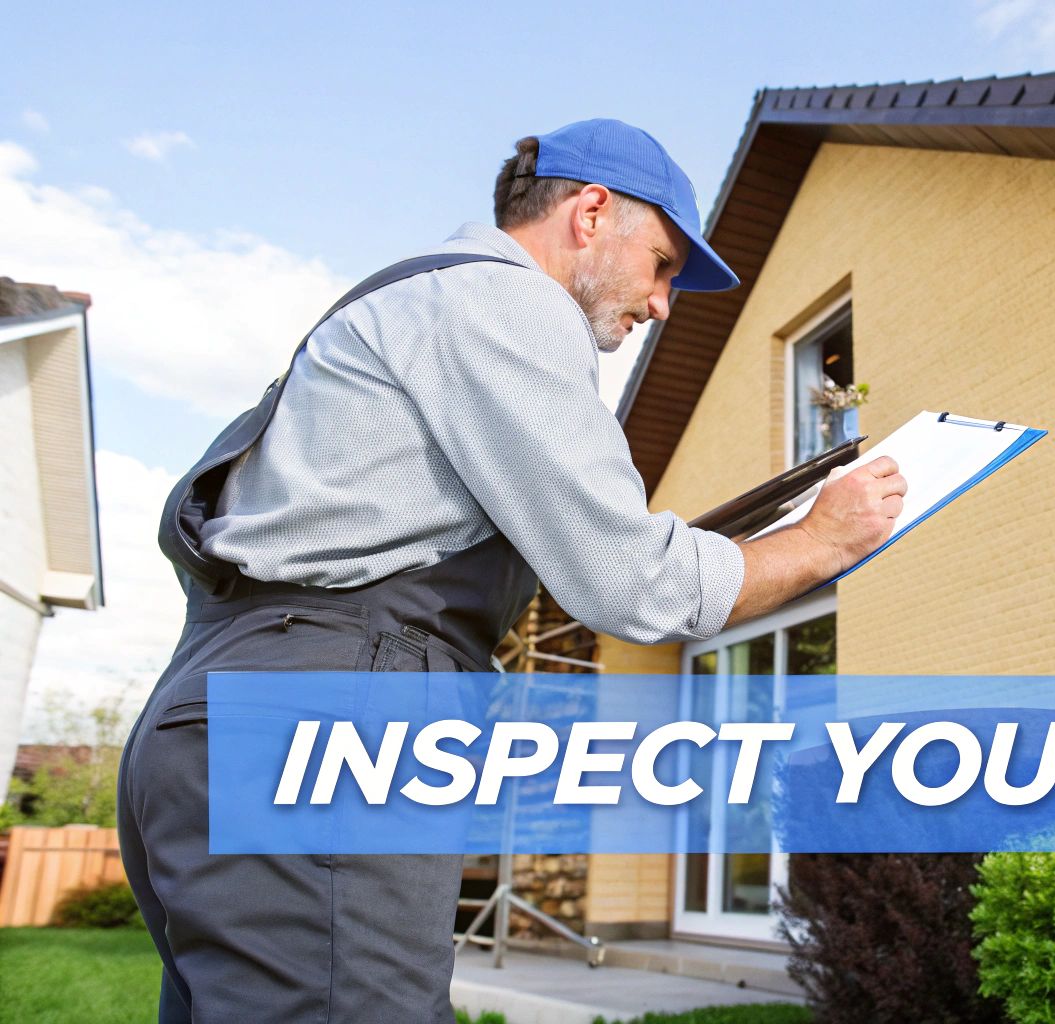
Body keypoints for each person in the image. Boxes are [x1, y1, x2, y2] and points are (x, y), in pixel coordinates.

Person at [117, 118, 905, 1023]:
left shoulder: (413, 304)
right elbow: (633, 585)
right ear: (592, 212)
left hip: (216, 711)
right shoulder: (511, 304)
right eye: (661, 264)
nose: (662, 305)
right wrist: (824, 543)